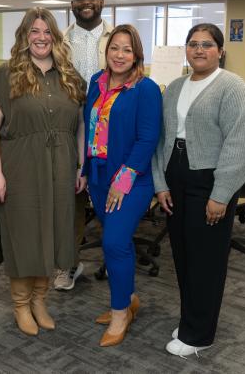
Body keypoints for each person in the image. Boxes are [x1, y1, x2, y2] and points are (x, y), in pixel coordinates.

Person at [152, 23, 245, 357]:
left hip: (209, 181)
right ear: (186, 49)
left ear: (220, 51)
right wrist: (161, 184)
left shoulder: (231, 87)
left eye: (208, 44)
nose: (200, 50)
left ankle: (199, 335)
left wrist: (221, 193)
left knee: (206, 261)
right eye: (193, 44)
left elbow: (241, 146)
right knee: (182, 255)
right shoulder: (175, 88)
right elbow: (161, 140)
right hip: (176, 177)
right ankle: (191, 321)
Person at [0, 7, 86, 336]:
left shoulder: (70, 76)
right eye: (34, 32)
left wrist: (81, 165)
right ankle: (20, 304)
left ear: (55, 38)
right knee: (24, 236)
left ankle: (40, 301)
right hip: (21, 169)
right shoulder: (5, 75)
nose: (41, 38)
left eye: (47, 32)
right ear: (24, 37)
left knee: (52, 235)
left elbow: (81, 125)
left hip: (61, 168)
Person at [82, 24, 162, 347]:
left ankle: (119, 313)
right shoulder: (95, 82)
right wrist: (85, 170)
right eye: (115, 47)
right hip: (99, 176)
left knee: (113, 242)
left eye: (127, 49)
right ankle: (129, 299)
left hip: (132, 180)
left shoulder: (146, 89)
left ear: (137, 55)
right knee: (119, 243)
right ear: (107, 50)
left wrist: (123, 180)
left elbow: (147, 139)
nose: (119, 54)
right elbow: (90, 131)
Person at [55, 0, 113, 291]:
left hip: (108, 129)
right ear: (72, 4)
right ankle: (69, 264)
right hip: (70, 128)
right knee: (70, 201)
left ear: (102, 0)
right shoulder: (60, 40)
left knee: (111, 198)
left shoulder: (116, 37)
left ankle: (116, 260)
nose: (85, 2)